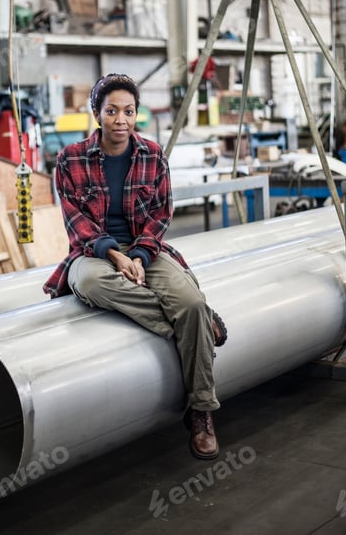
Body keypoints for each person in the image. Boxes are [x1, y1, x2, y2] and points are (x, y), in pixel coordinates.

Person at [43, 73, 227, 459]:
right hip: (93, 254)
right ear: (97, 114)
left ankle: (201, 412)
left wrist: (141, 255)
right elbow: (76, 223)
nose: (121, 120)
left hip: (147, 249)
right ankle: (186, 330)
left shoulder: (152, 155)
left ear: (136, 114)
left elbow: (161, 215)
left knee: (191, 304)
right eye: (112, 111)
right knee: (95, 285)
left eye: (128, 111)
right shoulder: (70, 158)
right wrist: (116, 255)